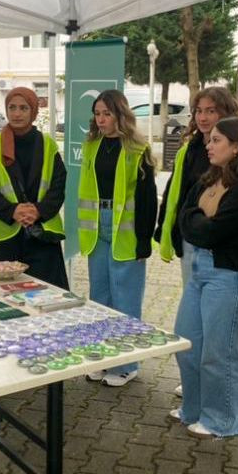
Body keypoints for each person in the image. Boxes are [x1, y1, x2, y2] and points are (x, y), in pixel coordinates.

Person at [170, 117, 238, 438]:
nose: (208, 145)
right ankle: (194, 408)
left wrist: (197, 222)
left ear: (237, 146)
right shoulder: (207, 180)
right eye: (209, 139)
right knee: (187, 342)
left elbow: (213, 233)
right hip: (201, 271)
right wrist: (198, 222)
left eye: (216, 140)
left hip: (232, 276)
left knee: (220, 352)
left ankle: (223, 420)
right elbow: (184, 219)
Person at [155, 86, 238, 398]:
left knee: (212, 318)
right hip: (189, 240)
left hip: (215, 246)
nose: (203, 117)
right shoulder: (190, 146)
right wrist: (167, 228)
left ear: (225, 113)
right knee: (194, 318)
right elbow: (176, 191)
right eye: (199, 111)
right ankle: (194, 378)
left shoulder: (231, 149)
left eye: (211, 111)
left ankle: (213, 385)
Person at [78, 90, 157, 387]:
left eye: (106, 114)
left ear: (120, 115)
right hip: (96, 229)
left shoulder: (139, 148)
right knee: (100, 298)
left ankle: (126, 365)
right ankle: (100, 357)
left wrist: (144, 240)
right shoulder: (91, 147)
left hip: (127, 230)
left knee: (126, 299)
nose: (101, 119)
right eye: (97, 114)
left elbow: (149, 199)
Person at [0, 87, 68, 288]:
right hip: (5, 235)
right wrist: (13, 211)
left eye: (23, 108)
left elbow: (58, 185)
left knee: (46, 293)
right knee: (2, 296)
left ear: (33, 112)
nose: (17, 113)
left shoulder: (48, 145)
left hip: (42, 235)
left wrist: (38, 211)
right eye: (12, 107)